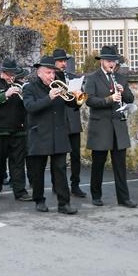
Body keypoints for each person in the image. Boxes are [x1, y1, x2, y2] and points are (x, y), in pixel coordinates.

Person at [22, 55, 79, 214]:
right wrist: (49, 98)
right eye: (48, 73)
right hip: (40, 134)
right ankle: (39, 200)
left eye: (53, 73)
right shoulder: (29, 88)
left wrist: (76, 96)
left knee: (60, 170)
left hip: (59, 134)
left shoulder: (59, 85)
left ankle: (64, 204)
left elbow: (72, 105)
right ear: (39, 73)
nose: (51, 76)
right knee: (38, 171)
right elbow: (30, 107)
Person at [84, 45, 137, 208]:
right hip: (101, 127)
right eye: (108, 61)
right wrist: (109, 99)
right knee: (98, 164)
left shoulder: (120, 78)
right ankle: (96, 195)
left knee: (120, 166)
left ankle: (124, 198)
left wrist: (123, 91)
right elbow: (89, 100)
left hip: (118, 127)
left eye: (113, 61)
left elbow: (130, 99)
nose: (111, 64)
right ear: (101, 61)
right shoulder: (92, 78)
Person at [0, 58, 31, 201]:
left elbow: (28, 105)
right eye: (9, 74)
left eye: (13, 74)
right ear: (2, 73)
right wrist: (5, 94)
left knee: (18, 162)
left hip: (19, 129)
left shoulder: (21, 86)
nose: (12, 77)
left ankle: (20, 191)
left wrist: (24, 95)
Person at [53, 48, 87, 198]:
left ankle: (75, 185)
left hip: (73, 121)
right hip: (59, 121)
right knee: (58, 157)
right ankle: (57, 184)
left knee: (75, 156)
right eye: (61, 61)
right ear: (54, 62)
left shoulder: (73, 77)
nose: (64, 64)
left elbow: (82, 99)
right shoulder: (52, 80)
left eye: (65, 61)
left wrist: (79, 96)